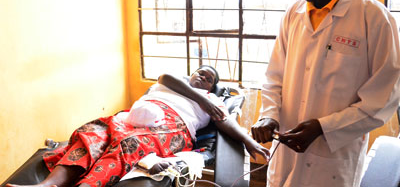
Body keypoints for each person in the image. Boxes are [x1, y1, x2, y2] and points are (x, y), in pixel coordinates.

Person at [251, 0, 400, 187]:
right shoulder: (292, 15)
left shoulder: (374, 18)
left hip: (332, 164)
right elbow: (274, 78)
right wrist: (269, 115)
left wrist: (323, 127)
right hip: (284, 159)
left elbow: (382, 100)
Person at [7, 65, 269, 187]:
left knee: (129, 145)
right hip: (131, 116)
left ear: (213, 87)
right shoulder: (172, 81)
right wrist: (198, 95)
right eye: (200, 72)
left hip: (172, 126)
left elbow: (227, 123)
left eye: (208, 79)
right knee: (92, 134)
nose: (202, 77)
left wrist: (251, 142)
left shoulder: (214, 102)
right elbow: (164, 76)